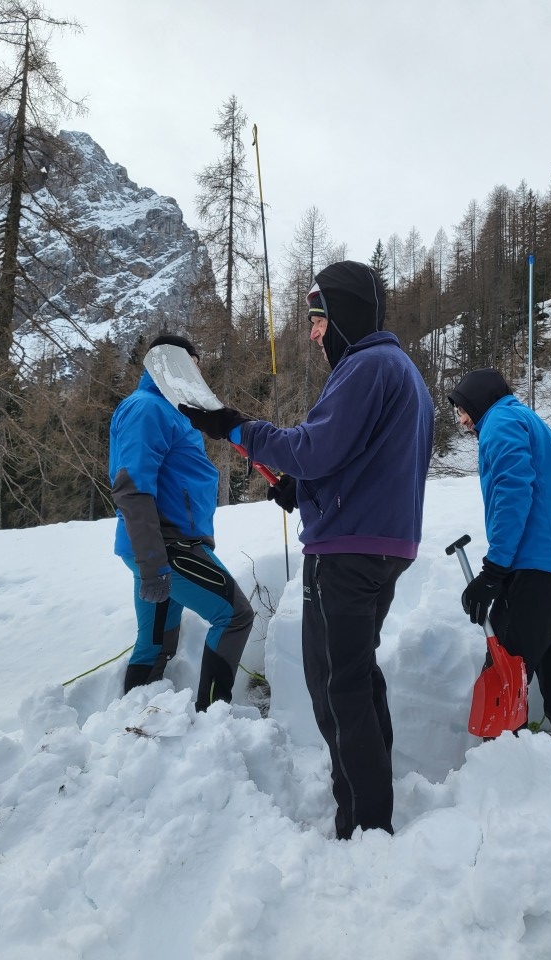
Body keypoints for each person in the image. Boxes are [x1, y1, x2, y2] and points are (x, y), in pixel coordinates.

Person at [180, 261, 434, 839]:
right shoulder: (400, 372)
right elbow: (361, 464)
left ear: (343, 316)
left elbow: (314, 448)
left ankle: (366, 825)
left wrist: (235, 427)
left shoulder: (366, 365)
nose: (314, 332)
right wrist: (304, 490)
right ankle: (370, 801)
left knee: (335, 687)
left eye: (319, 319)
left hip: (347, 554)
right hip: (381, 546)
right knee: (357, 677)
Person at [448, 368, 551, 768]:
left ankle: (500, 792)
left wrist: (493, 572)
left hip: (539, 577)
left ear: (480, 400)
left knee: (502, 682)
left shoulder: (500, 422)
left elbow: (513, 492)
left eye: (463, 410)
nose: (463, 421)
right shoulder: (539, 428)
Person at [108, 333, 254, 710]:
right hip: (168, 548)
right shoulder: (147, 408)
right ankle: (213, 717)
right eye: (193, 362)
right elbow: (132, 488)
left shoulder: (172, 411)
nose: (197, 372)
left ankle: (131, 720)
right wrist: (154, 564)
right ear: (171, 362)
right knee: (235, 616)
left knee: (156, 642)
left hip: (166, 547)